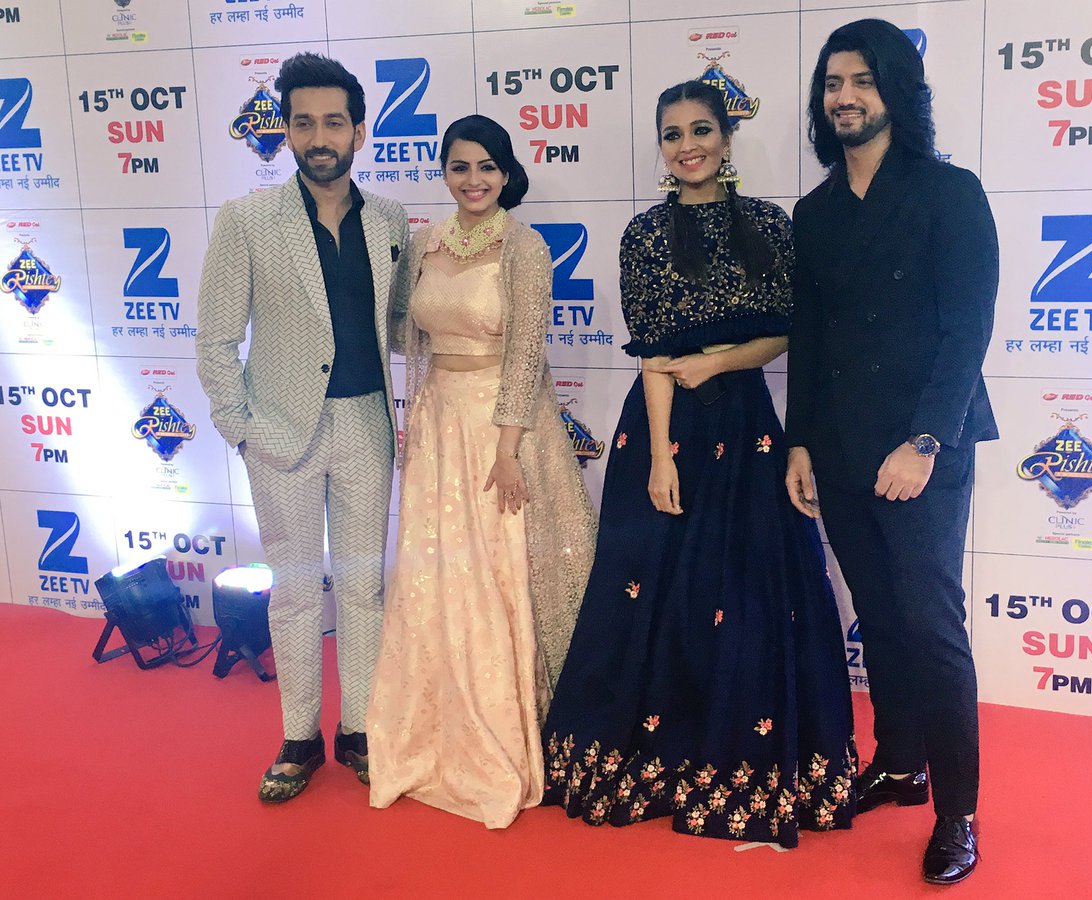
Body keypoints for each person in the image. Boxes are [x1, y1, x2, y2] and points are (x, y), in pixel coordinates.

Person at [541, 80, 857, 847]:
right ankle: (653, 759)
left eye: (701, 130)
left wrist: (717, 363)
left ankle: (735, 759)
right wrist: (659, 458)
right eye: (673, 134)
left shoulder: (768, 225)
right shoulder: (646, 234)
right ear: (661, 146)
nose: (688, 146)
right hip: (663, 427)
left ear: (726, 136)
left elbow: (787, 329)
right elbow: (653, 353)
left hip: (745, 427)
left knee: (746, 593)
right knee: (652, 592)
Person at [786, 19, 999, 885]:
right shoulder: (815, 213)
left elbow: (967, 331)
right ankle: (901, 762)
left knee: (930, 625)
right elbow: (810, 337)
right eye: (834, 82)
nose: (845, 96)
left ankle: (958, 812)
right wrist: (800, 442)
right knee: (877, 613)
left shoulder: (950, 192)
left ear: (897, 93)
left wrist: (925, 441)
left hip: (924, 447)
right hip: (839, 448)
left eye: (863, 81)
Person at [366, 115, 596, 829]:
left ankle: (517, 731)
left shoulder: (524, 245)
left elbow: (527, 348)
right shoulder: (424, 243)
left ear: (506, 173)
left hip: (504, 427)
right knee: (438, 577)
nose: (474, 180)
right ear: (444, 171)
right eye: (460, 166)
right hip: (439, 424)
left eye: (487, 167)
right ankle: (435, 730)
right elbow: (405, 330)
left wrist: (507, 447)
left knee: (503, 569)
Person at [196, 53, 409, 802]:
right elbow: (216, 339)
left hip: (367, 426)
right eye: (304, 122)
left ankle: (358, 730)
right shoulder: (247, 220)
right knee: (292, 594)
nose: (320, 137)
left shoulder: (389, 220)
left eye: (334, 122)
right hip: (281, 433)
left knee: (361, 590)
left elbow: (402, 324)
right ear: (285, 130)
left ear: (359, 131)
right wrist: (241, 428)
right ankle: (298, 738)